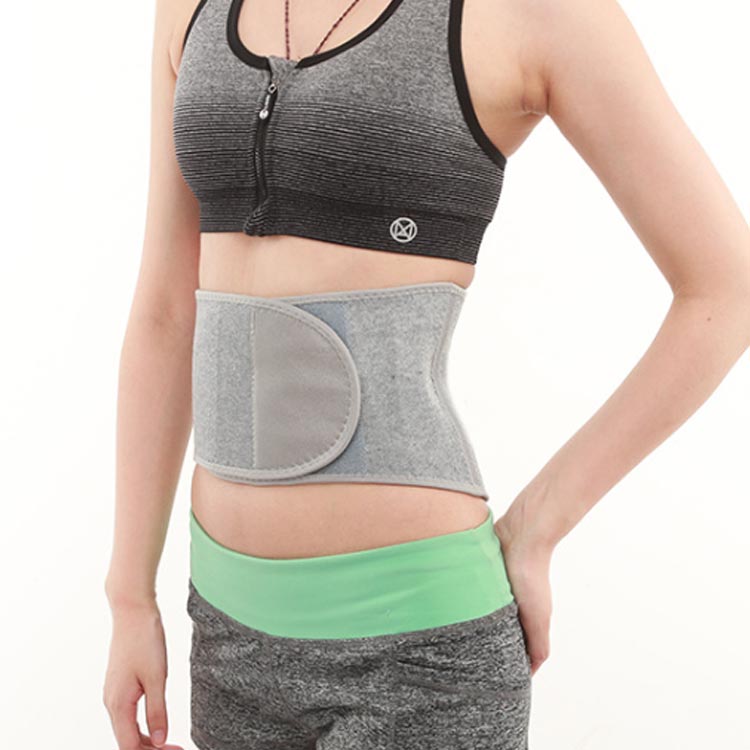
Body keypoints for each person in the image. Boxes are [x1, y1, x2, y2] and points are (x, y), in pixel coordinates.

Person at [102, 0, 750, 748]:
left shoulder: (533, 13)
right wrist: (128, 596)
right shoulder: (190, 8)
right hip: (227, 635)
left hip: (420, 655)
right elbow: (166, 313)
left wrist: (538, 526)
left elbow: (727, 289)